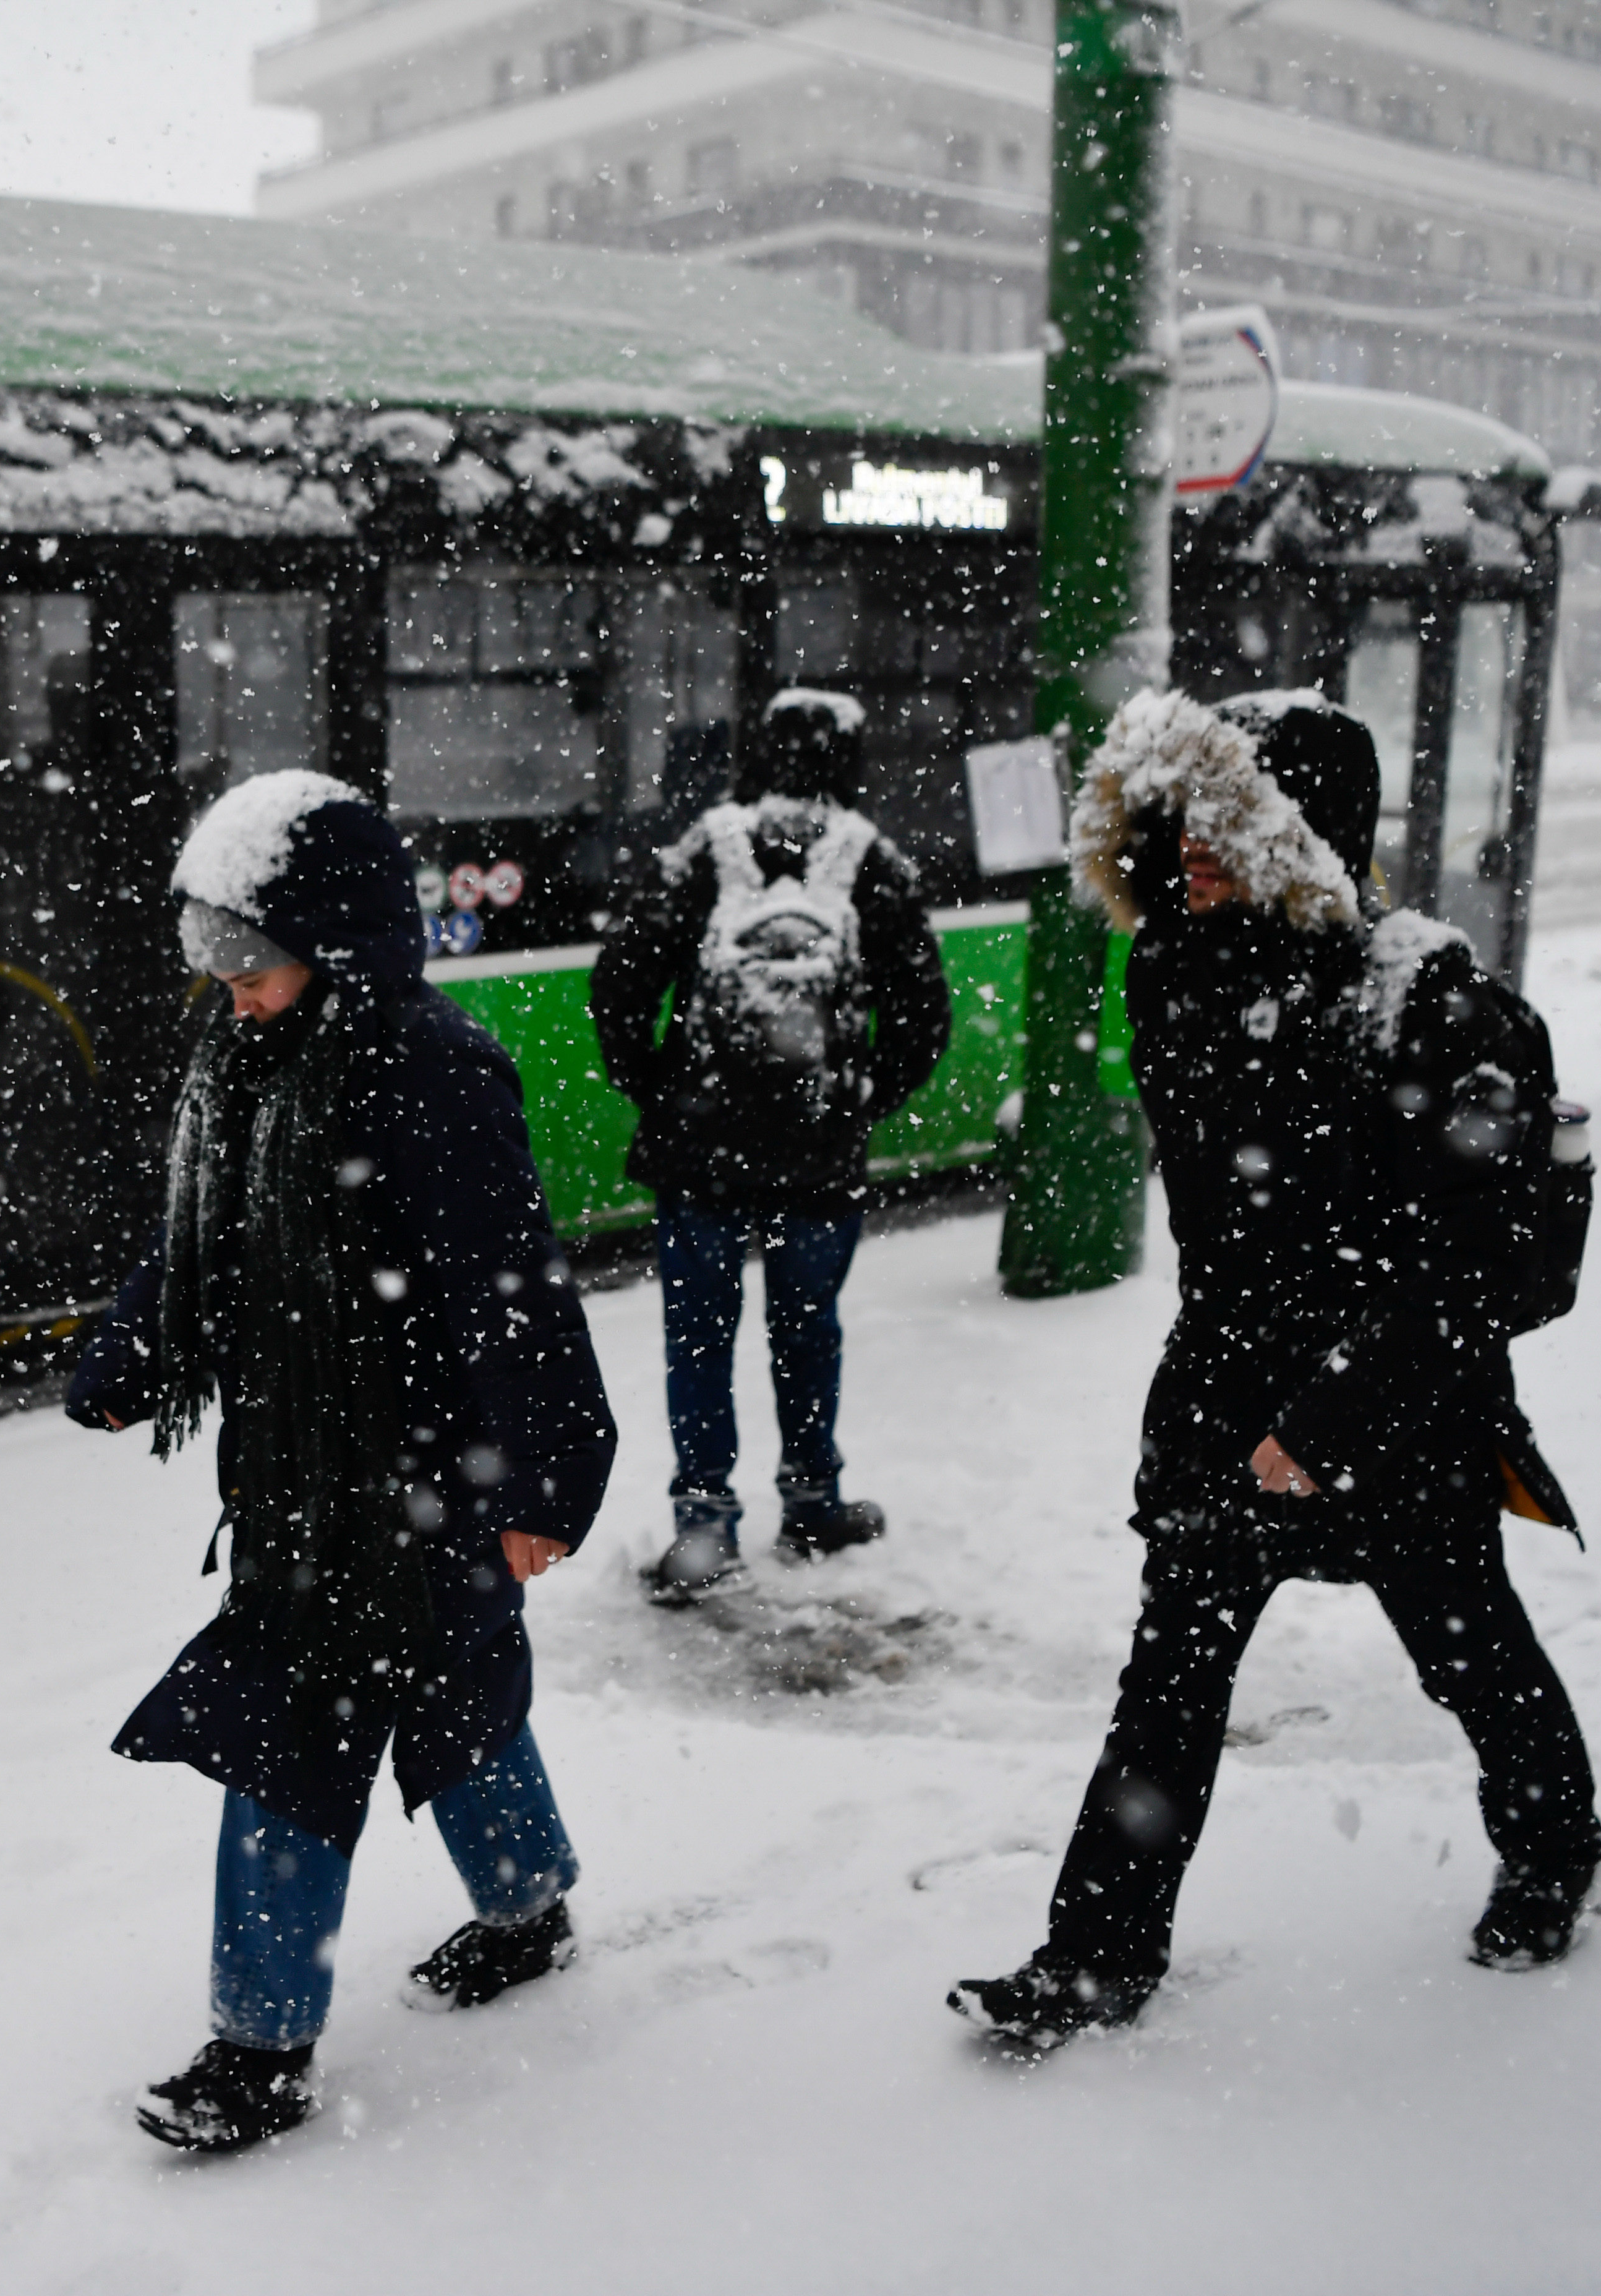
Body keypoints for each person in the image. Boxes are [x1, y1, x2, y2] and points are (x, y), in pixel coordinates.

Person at [950, 690, 1601, 2048]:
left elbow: (1480, 1268)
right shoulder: (1176, 966)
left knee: (1467, 1646)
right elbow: (1228, 1228)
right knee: (1171, 1684)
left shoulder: (1426, 999)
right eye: (1178, 816)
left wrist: (1331, 1412)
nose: (1190, 847)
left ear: (1305, 830)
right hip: (1226, 1398)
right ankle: (1096, 1954)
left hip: (1395, 1406)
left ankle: (1555, 1844)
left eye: (1227, 818)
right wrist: (1231, 1397)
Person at [67, 769, 617, 2154]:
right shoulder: (251, 1065)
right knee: (447, 1707)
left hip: (424, 1485)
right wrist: (135, 1351)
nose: (231, 989)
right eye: (215, 959)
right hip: (300, 1486)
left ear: (338, 940)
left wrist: (548, 1489)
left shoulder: (433, 1068)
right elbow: (209, 1251)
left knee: (312, 1741)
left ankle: (258, 2051)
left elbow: (516, 1295)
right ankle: (529, 1901)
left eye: (251, 960)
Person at [587, 688, 951, 1600]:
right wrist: (860, 1099)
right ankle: (813, 1501)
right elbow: (924, 1015)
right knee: (807, 1333)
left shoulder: (704, 851)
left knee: (699, 1339)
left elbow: (619, 985)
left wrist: (666, 1090)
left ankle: (705, 1528)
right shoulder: (872, 859)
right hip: (818, 1153)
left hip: (700, 1147)